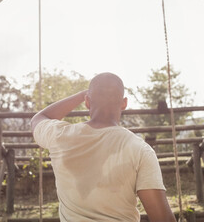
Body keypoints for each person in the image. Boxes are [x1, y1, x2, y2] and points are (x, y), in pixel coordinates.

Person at [31, 72, 176, 222]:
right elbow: (162, 218)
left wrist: (81, 95)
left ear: (87, 101)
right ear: (124, 103)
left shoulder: (60, 136)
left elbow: (39, 118)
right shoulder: (140, 149)